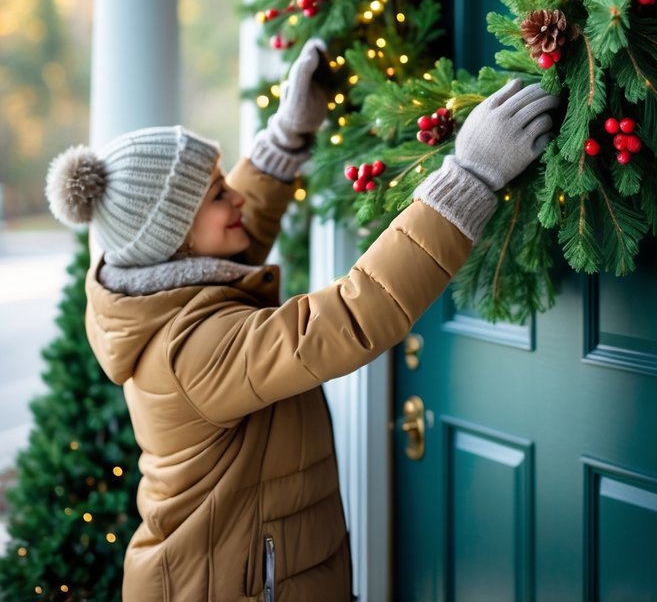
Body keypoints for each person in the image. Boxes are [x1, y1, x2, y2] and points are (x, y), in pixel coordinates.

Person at [46, 38, 557, 602]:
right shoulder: (193, 349)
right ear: (179, 238)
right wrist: (468, 178)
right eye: (219, 193)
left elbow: (230, 244)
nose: (238, 199)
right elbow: (351, 316)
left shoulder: (163, 293)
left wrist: (285, 140)